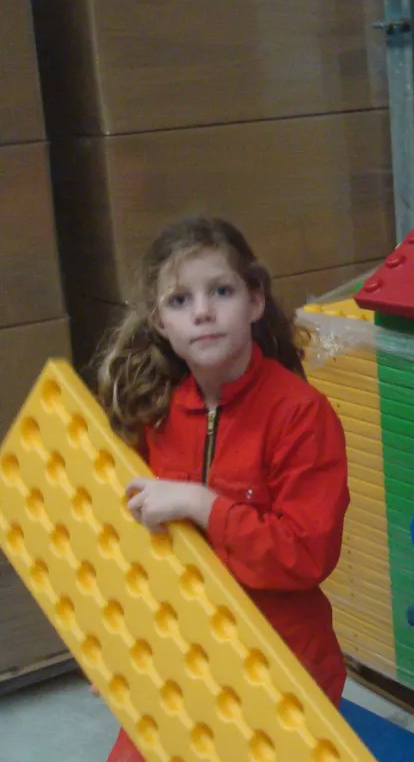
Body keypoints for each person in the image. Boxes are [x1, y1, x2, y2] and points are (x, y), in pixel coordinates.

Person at [95, 216, 349, 761]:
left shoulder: (300, 415)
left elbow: (306, 554)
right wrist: (121, 643)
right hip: (184, 657)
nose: (203, 312)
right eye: (179, 300)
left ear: (255, 301)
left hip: (281, 668)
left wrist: (202, 505)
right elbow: (137, 549)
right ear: (160, 322)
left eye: (221, 291)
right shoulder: (155, 414)